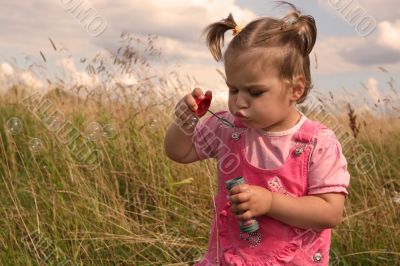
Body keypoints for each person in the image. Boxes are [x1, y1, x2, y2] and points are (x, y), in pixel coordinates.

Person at [164, 2, 350, 265]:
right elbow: (179, 152)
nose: (239, 102)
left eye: (255, 92)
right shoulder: (228, 127)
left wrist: (271, 202)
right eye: (233, 90)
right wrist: (185, 121)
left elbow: (331, 212)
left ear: (296, 89)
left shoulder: (316, 143)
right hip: (229, 257)